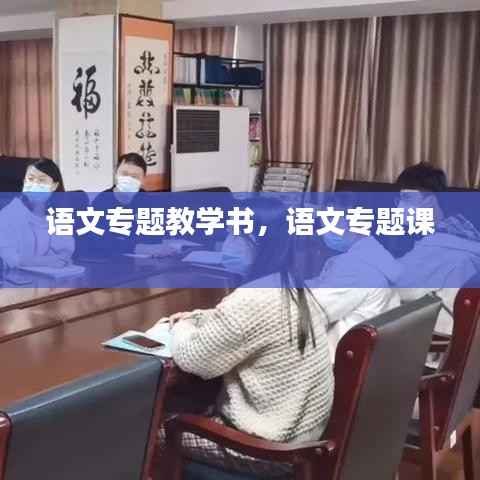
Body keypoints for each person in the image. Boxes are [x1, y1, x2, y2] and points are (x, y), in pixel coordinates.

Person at [394, 162, 480, 334]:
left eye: (406, 199)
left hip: (429, 341)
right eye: (399, 199)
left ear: (430, 202)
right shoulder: (463, 236)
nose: (399, 207)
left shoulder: (445, 254)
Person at [316, 194, 402, 359]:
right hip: (363, 354)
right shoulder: (377, 257)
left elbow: (312, 314)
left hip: (333, 357)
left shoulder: (354, 268)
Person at [89, 153, 173, 258]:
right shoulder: (102, 201)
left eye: (135, 177)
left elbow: (156, 235)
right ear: (115, 173)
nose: (128, 180)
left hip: (146, 261)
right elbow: (97, 241)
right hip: (111, 261)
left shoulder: (145, 199)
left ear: (143, 180)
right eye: (124, 174)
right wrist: (136, 247)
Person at [0, 158, 74, 269]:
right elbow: (10, 258)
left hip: (54, 275)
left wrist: (63, 259)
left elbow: (66, 250)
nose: (34, 185)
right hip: (17, 277)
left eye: (41, 180)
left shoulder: (59, 214)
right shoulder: (9, 214)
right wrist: (46, 261)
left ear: (54, 186)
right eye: (30, 179)